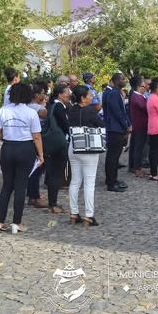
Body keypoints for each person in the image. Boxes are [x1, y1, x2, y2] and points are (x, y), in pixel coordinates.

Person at [0, 83, 44, 234]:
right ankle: (16, 222)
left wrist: (5, 137)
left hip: (8, 148)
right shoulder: (31, 112)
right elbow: (36, 136)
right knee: (21, 186)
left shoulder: (3, 110)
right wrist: (41, 154)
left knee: (7, 185)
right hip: (25, 148)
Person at [67, 85, 104, 226]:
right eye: (89, 95)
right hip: (88, 147)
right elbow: (101, 124)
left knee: (75, 181)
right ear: (82, 98)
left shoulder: (71, 110)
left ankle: (74, 212)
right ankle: (89, 215)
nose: (91, 97)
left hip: (73, 146)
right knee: (89, 182)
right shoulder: (90, 111)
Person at [43, 85, 69, 214]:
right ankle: (53, 204)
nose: (69, 94)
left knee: (53, 173)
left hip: (51, 143)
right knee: (56, 174)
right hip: (58, 144)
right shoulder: (59, 107)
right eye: (66, 92)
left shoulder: (52, 105)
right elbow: (66, 125)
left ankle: (52, 202)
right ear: (59, 94)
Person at [102, 73, 129, 193]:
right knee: (112, 157)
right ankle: (111, 183)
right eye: (122, 79)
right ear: (117, 80)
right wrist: (126, 126)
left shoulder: (117, 92)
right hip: (114, 129)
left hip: (117, 128)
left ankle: (113, 179)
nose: (125, 81)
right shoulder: (113, 93)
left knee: (115, 156)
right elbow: (117, 112)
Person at [27, 79, 49, 208]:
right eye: (43, 93)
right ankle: (34, 196)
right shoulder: (37, 108)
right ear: (36, 95)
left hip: (29, 140)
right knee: (37, 168)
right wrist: (44, 104)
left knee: (34, 169)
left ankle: (32, 194)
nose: (44, 95)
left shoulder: (27, 106)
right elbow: (46, 114)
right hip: (37, 139)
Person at [127, 75, 148, 178]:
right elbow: (145, 107)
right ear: (140, 86)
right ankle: (136, 168)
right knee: (138, 148)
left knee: (136, 147)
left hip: (139, 125)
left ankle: (134, 166)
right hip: (139, 126)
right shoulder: (137, 97)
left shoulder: (138, 96)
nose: (145, 88)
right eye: (144, 86)